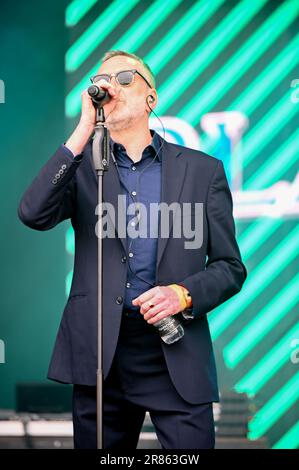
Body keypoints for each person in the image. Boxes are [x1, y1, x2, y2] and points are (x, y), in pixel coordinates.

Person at [18, 50, 247, 449]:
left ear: (151, 99)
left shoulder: (202, 170)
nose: (111, 86)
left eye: (125, 78)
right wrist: (84, 130)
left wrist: (183, 294)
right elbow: (32, 213)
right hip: (102, 356)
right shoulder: (83, 168)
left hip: (174, 349)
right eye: (103, 79)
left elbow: (230, 266)